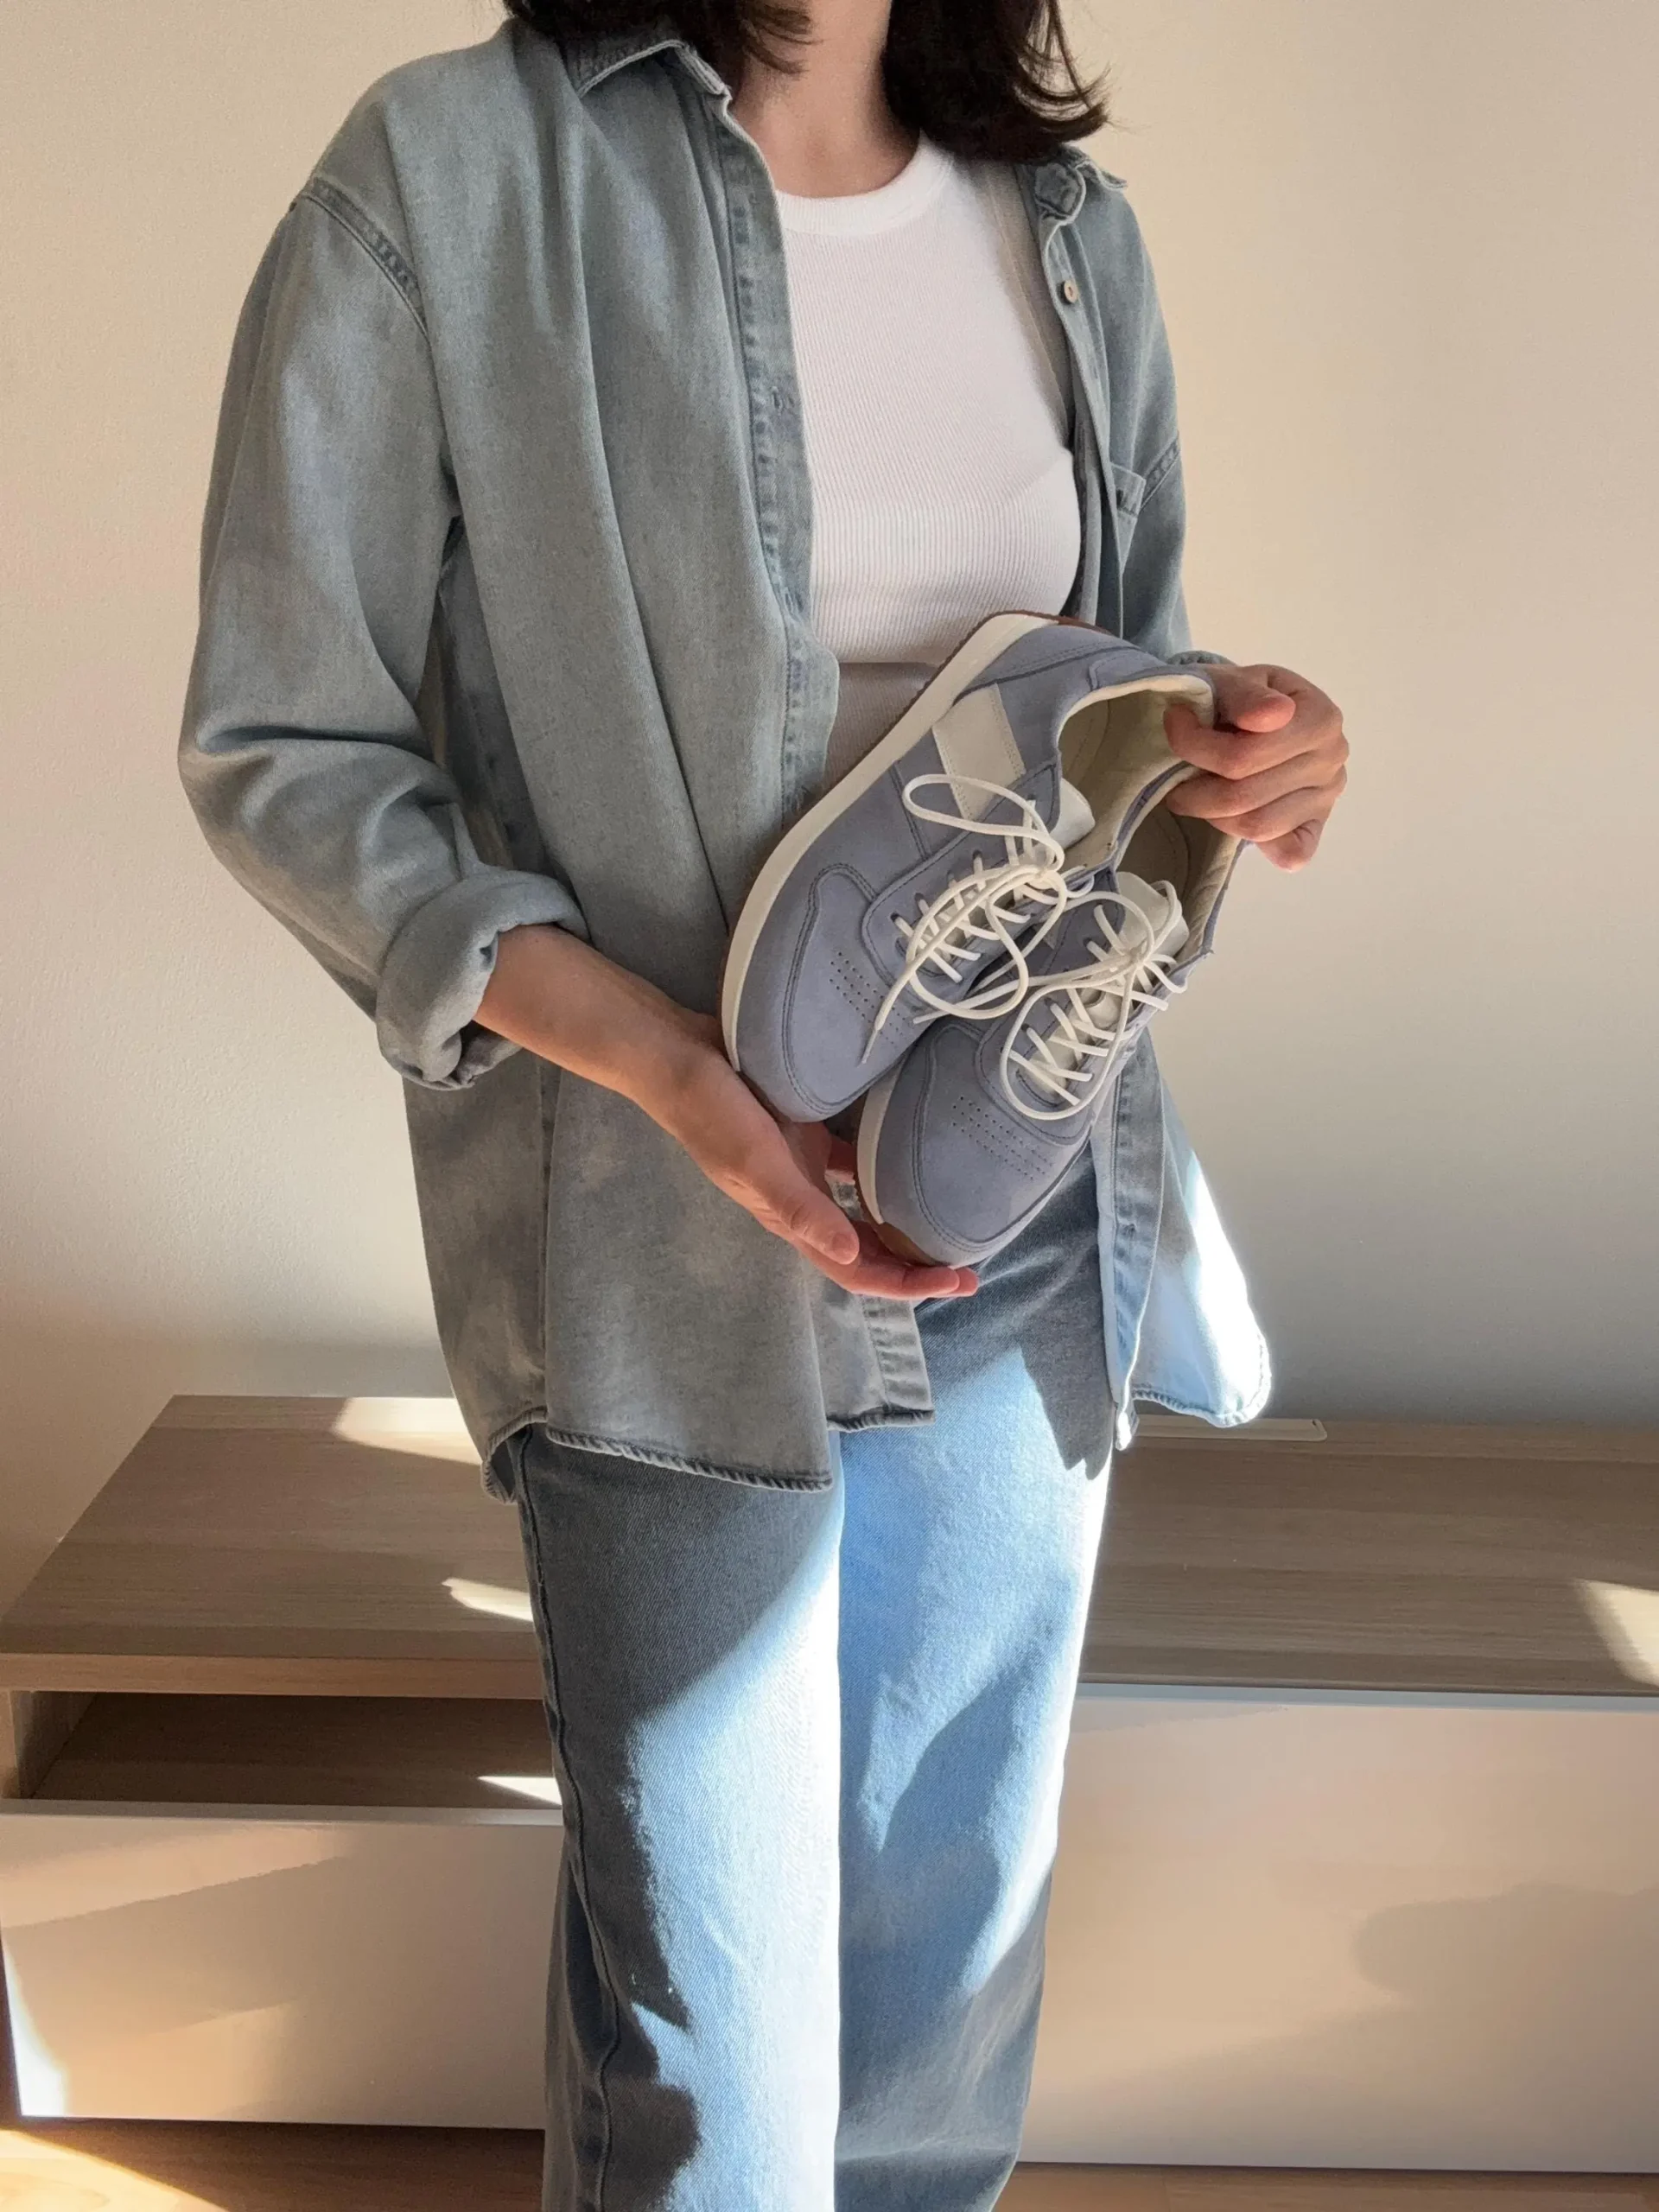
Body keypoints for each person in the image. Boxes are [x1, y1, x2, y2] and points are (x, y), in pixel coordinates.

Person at [179, 1, 1349, 2202]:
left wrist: (1257, 752)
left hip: (1010, 1194)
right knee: (723, 2076)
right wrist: (663, 1059)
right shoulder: (450, 173)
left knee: (929, 2030)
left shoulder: (1066, 226)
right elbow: (285, 741)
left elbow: (1131, 715)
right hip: (654, 1229)